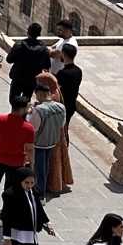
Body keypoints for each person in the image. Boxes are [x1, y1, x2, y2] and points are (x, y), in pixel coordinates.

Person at [0, 89, 36, 227]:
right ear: (23, 109)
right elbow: (29, 149)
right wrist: (31, 164)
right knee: (10, 189)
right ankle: (3, 217)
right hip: (17, 162)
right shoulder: (28, 128)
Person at [28, 72, 67, 201]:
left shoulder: (39, 110)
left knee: (39, 169)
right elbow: (62, 124)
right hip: (52, 141)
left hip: (39, 143)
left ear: (39, 94)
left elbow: (32, 127)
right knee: (45, 167)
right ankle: (42, 192)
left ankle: (40, 194)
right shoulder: (61, 107)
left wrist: (30, 112)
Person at [51, 41, 83, 196]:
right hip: (71, 106)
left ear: (64, 55)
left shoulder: (63, 74)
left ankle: (61, 157)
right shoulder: (78, 71)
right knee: (66, 130)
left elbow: (56, 88)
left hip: (62, 106)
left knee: (60, 133)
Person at [6, 22, 52, 99]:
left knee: (14, 100)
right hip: (32, 80)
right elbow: (46, 66)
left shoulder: (19, 45)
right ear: (39, 34)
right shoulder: (43, 48)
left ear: (28, 32)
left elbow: (9, 60)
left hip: (18, 77)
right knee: (26, 100)